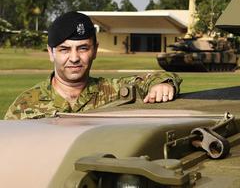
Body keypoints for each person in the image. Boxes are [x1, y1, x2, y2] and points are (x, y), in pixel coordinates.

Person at [4, 11, 181, 120]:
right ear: (51, 53)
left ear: (95, 50)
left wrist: (163, 84)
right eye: (65, 49)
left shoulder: (114, 92)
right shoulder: (25, 106)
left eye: (82, 48)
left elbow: (154, 77)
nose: (74, 58)